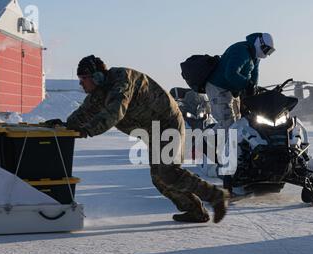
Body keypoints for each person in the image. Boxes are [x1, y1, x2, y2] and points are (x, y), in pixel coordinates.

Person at [49, 55, 229, 223]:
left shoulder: (121, 80)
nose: (81, 84)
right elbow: (85, 112)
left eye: (83, 79)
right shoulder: (100, 91)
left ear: (96, 77)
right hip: (153, 131)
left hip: (167, 124)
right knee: (160, 178)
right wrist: (66, 125)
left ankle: (216, 196)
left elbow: (115, 111)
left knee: (168, 172)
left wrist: (87, 130)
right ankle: (196, 211)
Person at [206, 33, 275, 131]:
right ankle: (201, 143)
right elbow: (230, 74)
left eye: (270, 52)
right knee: (227, 125)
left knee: (238, 124)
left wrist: (254, 90)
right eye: (267, 50)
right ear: (260, 44)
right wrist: (247, 85)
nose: (267, 54)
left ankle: (232, 145)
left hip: (232, 89)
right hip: (219, 87)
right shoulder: (241, 51)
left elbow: (254, 76)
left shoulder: (255, 57)